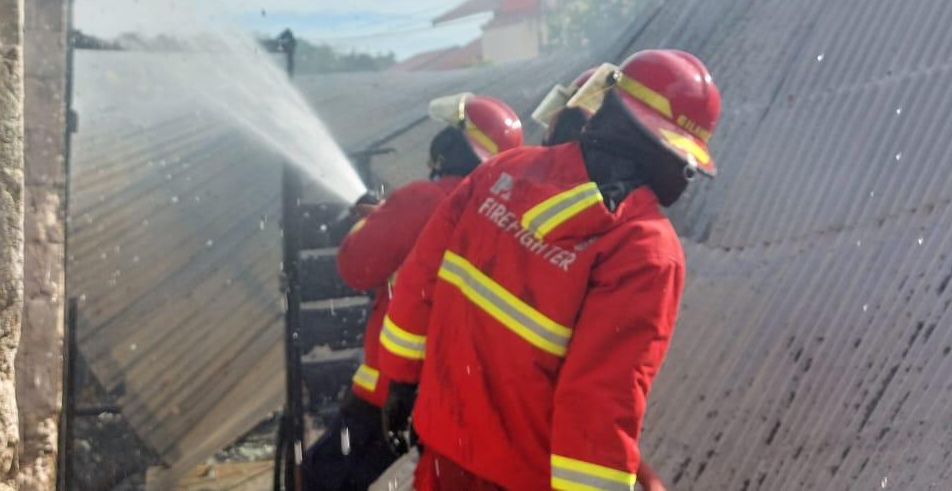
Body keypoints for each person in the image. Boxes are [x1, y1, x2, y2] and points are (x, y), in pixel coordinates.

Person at [376, 49, 721, 491]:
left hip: (443, 457)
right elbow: (600, 400)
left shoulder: (502, 171)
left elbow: (419, 282)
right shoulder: (645, 247)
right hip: (524, 478)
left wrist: (401, 377)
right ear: (667, 150)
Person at [302, 94, 525, 491]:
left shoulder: (427, 197)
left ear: (449, 148)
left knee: (321, 479)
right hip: (452, 395)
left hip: (389, 386)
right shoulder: (502, 214)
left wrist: (367, 225)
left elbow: (356, 268)